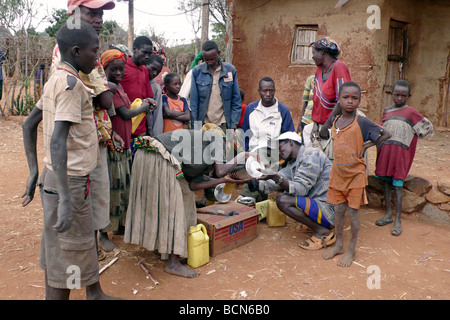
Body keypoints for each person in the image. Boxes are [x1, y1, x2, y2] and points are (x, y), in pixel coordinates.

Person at [21, 21, 120, 300]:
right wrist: (66, 199)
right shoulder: (70, 85)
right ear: (77, 51)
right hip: (70, 184)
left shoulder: (56, 78)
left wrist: (33, 173)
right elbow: (56, 141)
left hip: (64, 181)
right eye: (94, 51)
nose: (97, 58)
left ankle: (95, 293)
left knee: (70, 245)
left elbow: (28, 125)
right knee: (66, 256)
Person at [124, 124, 250, 278]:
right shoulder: (216, 137)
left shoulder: (197, 155)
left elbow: (193, 185)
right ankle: (173, 263)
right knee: (178, 206)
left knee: (168, 202)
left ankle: (163, 248)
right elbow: (221, 170)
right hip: (159, 156)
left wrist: (223, 180)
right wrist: (241, 157)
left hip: (146, 155)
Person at [48, 0, 122, 260]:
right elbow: (97, 98)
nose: (99, 18)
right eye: (92, 12)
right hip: (77, 145)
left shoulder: (89, 51)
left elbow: (103, 100)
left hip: (95, 135)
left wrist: (109, 127)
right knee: (83, 198)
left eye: (101, 13)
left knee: (96, 195)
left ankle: (91, 247)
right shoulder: (68, 54)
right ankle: (84, 254)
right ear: (73, 13)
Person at [322, 81, 391, 267]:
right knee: (338, 212)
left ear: (360, 100)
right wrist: (333, 113)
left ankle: (352, 249)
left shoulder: (361, 121)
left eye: (354, 98)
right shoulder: (336, 121)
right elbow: (322, 132)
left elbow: (387, 134)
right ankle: (338, 244)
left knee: (353, 213)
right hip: (338, 173)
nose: (350, 101)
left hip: (355, 174)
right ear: (339, 100)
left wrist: (368, 144)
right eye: (345, 98)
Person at [98, 49, 152, 251]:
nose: (119, 73)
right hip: (114, 146)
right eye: (114, 69)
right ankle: (103, 233)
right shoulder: (109, 90)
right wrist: (143, 109)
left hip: (124, 144)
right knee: (112, 190)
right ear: (105, 69)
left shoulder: (118, 88)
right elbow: (125, 113)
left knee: (122, 188)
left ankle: (118, 226)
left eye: (121, 69)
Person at [257, 132, 336, 250]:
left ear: (290, 142)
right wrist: (254, 181)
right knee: (285, 193)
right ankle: (313, 224)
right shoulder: (292, 164)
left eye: (279, 148)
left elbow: (300, 189)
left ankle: (323, 232)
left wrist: (276, 178)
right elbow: (276, 181)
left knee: (283, 200)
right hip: (319, 205)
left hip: (329, 211)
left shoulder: (311, 155)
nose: (278, 153)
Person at [374, 80, 434, 236]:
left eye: (403, 95)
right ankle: (388, 215)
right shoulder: (387, 111)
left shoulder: (411, 112)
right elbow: (381, 129)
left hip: (400, 156)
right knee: (386, 183)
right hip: (386, 153)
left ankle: (398, 221)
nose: (399, 98)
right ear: (391, 94)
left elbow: (426, 130)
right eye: (396, 94)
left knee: (398, 185)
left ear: (409, 96)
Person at [305, 38, 351, 149]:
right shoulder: (319, 69)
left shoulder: (339, 67)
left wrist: (326, 127)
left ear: (322, 52)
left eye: (314, 53)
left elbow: (342, 101)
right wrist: (315, 125)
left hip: (336, 124)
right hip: (322, 126)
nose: (312, 56)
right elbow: (316, 100)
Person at [190, 40, 241, 130]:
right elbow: (194, 102)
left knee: (225, 144)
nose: (210, 62)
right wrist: (196, 127)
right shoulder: (197, 72)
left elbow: (236, 100)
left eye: (212, 59)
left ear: (218, 53)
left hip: (224, 124)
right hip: (204, 124)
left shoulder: (230, 70)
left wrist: (233, 125)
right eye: (206, 60)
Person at [241, 77, 295, 152]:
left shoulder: (283, 111)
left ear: (274, 91)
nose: (268, 94)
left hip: (274, 155)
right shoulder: (250, 109)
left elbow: (288, 138)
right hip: (253, 153)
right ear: (259, 91)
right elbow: (245, 136)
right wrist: (246, 153)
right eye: (264, 91)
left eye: (271, 91)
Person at [120, 36, 155, 147]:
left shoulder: (144, 70)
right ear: (135, 49)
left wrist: (151, 102)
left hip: (141, 128)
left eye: (149, 54)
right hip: (124, 127)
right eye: (144, 53)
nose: (147, 57)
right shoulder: (121, 67)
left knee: (140, 161)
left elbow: (147, 98)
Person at [146, 53, 164, 136]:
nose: (154, 73)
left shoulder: (156, 88)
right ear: (146, 64)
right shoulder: (135, 80)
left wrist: (156, 136)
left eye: (158, 71)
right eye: (153, 69)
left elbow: (157, 114)